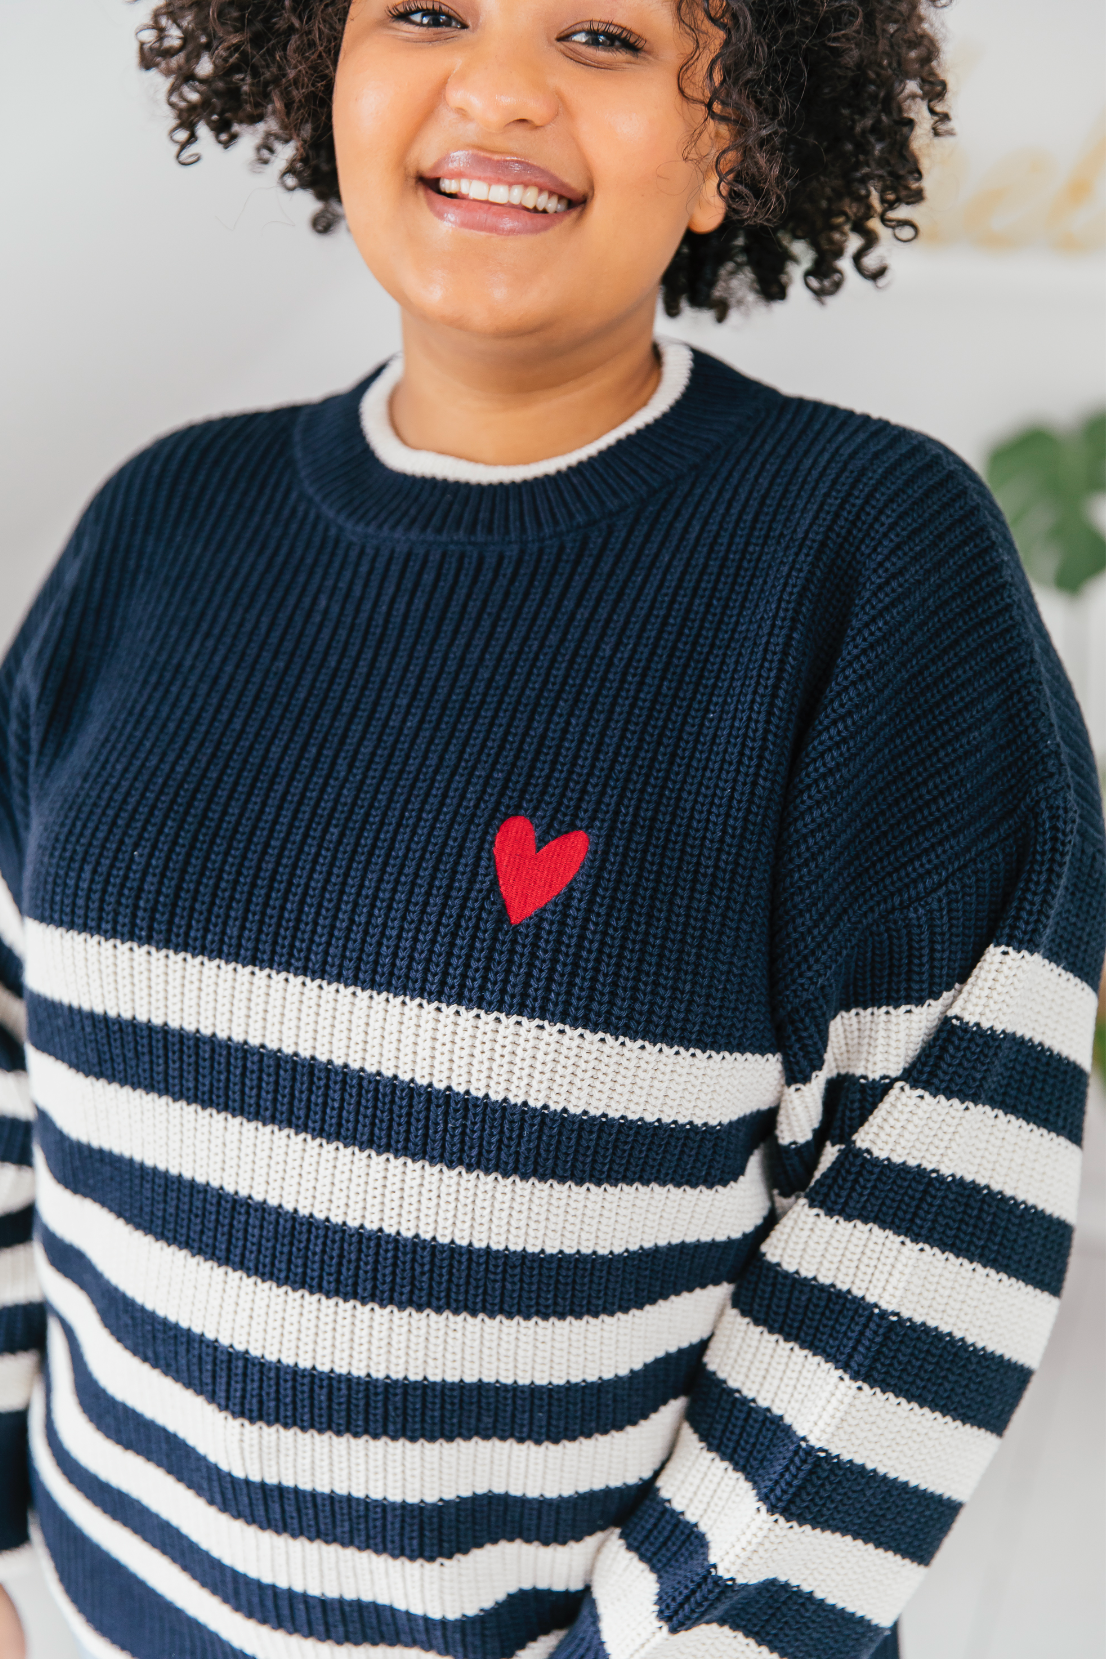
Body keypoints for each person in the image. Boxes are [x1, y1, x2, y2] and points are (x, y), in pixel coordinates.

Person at [0, 0, 1103, 1655]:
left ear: (728, 141)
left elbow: (921, 1243)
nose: (500, 85)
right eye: (426, 10)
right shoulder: (159, 521)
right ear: (328, 75)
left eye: (603, 35)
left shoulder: (867, 563)